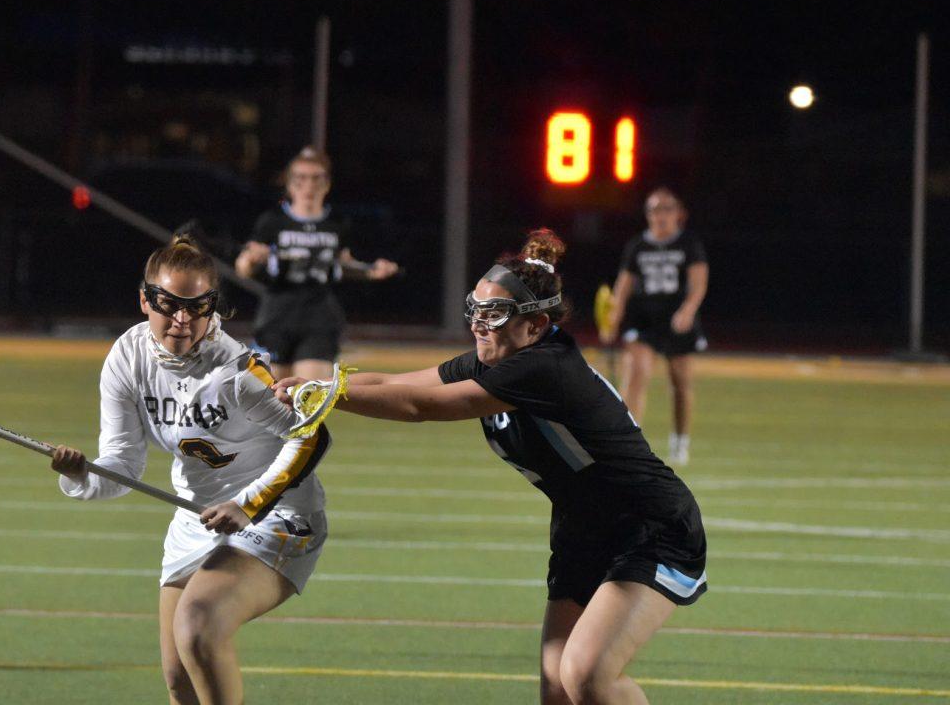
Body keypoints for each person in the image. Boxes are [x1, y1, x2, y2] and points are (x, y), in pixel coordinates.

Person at [274, 228, 707, 705]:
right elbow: (399, 383)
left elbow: (421, 407)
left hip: (649, 526)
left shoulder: (542, 368)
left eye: (494, 313)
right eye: (475, 310)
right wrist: (315, 382)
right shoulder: (499, 356)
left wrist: (330, 397)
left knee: (587, 674)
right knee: (558, 687)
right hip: (584, 527)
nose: (479, 324)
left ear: (536, 325)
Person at [50, 234, 329, 705]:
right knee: (179, 678)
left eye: (197, 307)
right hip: (196, 516)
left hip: (275, 515)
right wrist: (81, 475)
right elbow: (123, 463)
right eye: (167, 303)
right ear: (144, 299)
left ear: (212, 306)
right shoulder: (127, 357)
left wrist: (249, 504)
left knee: (198, 626)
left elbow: (311, 435)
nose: (182, 319)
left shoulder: (236, 370)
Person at [234, 146, 399, 380]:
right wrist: (250, 259)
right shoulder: (272, 222)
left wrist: (372, 271)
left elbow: (344, 264)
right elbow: (243, 269)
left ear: (327, 183)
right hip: (276, 317)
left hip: (319, 318)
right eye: (301, 179)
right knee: (271, 399)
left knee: (310, 397)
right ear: (290, 184)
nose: (308, 186)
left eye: (315, 178)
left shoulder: (337, 223)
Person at [601, 187, 709, 465]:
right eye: (653, 209)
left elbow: (699, 283)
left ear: (679, 214)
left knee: (680, 384)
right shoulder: (638, 245)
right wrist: (613, 317)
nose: (660, 215)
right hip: (643, 321)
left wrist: (687, 310)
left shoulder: (689, 243)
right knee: (636, 376)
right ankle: (629, 444)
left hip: (677, 321)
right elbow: (622, 287)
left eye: (666, 208)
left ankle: (680, 441)